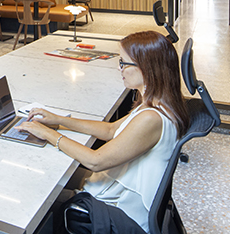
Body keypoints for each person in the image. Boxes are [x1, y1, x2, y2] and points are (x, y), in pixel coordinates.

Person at [16, 30, 189, 232]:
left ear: (146, 68)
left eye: (124, 63)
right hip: (119, 192)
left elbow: (95, 161)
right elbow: (111, 129)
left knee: (43, 183)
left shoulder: (151, 118)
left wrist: (48, 134)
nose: (119, 68)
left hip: (121, 211)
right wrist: (59, 120)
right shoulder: (155, 104)